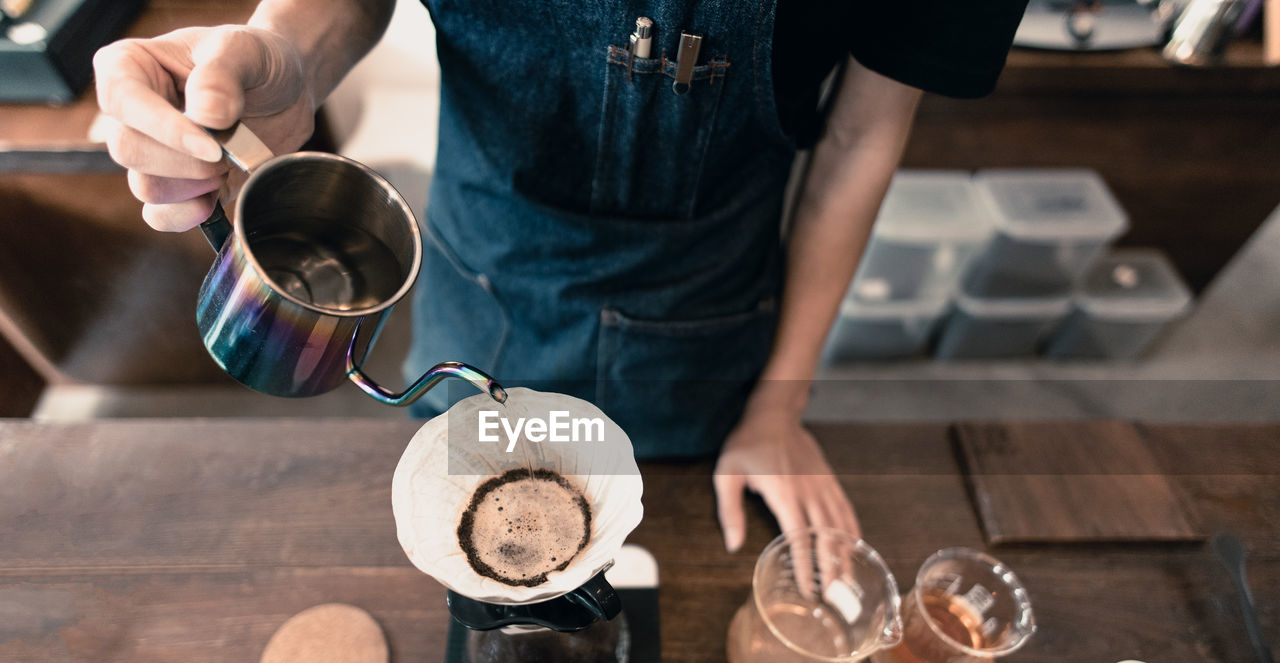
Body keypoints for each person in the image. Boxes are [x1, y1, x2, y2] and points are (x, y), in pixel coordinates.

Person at [93, 0, 1028, 555]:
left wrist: (778, 407)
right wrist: (281, 51)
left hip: (706, 309)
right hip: (482, 274)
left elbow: (864, 135)